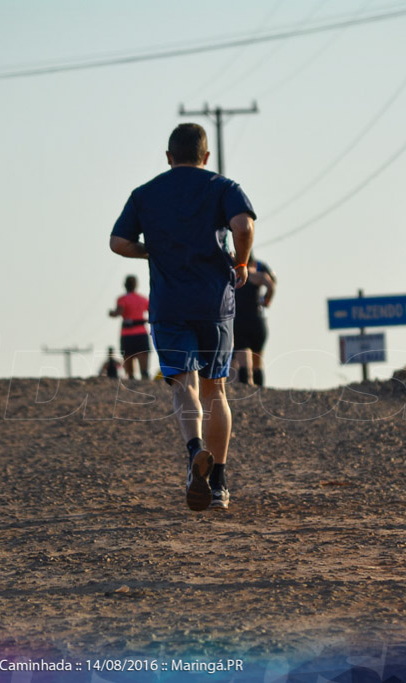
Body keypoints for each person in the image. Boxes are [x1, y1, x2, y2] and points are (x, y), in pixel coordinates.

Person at [110, 122, 255, 512]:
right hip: (215, 305)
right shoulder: (223, 187)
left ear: (169, 157)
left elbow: (118, 242)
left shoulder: (146, 193)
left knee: (182, 386)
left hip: (170, 305)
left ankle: (195, 452)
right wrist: (240, 262)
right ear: (205, 156)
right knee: (216, 390)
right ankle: (220, 482)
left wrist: (152, 251)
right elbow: (243, 224)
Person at [233, 254, 276, 387]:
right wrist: (266, 300)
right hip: (257, 322)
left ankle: (246, 391)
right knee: (257, 363)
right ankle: (260, 394)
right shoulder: (258, 276)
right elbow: (271, 284)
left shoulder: (232, 276)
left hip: (239, 322)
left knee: (243, 362)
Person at [108, 275, 151, 380]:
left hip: (127, 333)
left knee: (129, 362)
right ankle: (144, 378)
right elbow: (153, 311)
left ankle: (132, 381)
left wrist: (112, 313)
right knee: (143, 365)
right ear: (136, 285)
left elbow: (119, 312)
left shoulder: (122, 299)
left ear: (125, 285)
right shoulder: (142, 299)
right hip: (141, 332)